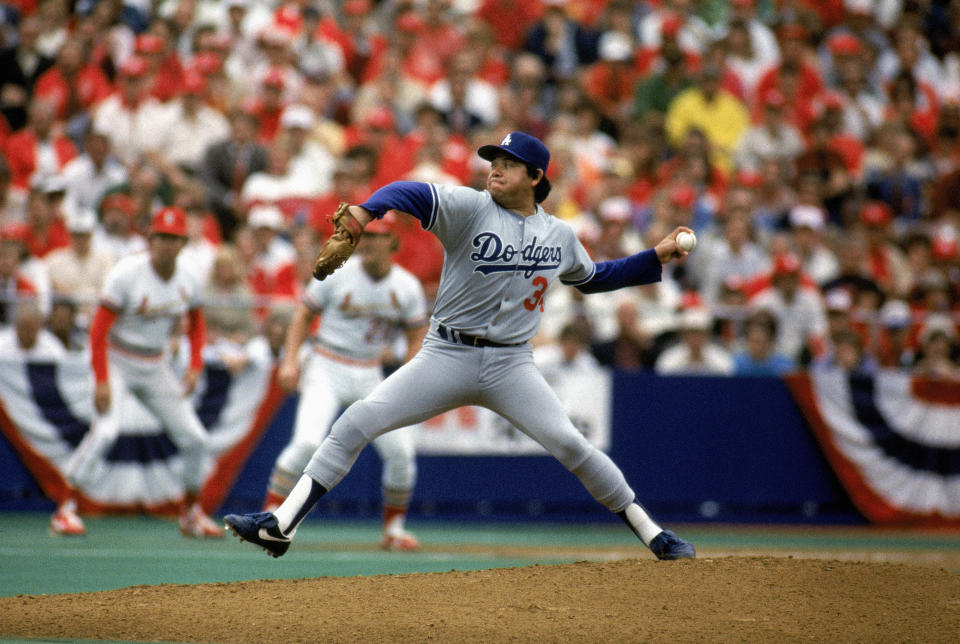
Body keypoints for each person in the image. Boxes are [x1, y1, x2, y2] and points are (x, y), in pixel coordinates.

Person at [225, 131, 696, 560]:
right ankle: (282, 524)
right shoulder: (470, 207)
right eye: (493, 159)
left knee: (573, 445)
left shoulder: (560, 233)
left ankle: (653, 534)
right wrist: (367, 211)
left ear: (535, 176)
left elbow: (595, 279)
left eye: (508, 163)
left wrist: (654, 256)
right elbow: (408, 191)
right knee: (357, 421)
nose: (495, 167)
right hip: (446, 354)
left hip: (512, 365)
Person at [49, 207, 224, 538]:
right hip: (117, 358)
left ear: (184, 242)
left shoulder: (189, 276)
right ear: (150, 239)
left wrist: (195, 364)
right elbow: (98, 331)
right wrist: (101, 379)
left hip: (155, 363)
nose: (167, 245)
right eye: (161, 237)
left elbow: (197, 324)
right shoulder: (127, 273)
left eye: (174, 239)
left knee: (195, 438)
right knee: (105, 431)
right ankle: (65, 509)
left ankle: (190, 512)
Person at [264, 215, 428, 551]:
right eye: (365, 236)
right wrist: (291, 360)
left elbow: (416, 334)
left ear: (393, 243)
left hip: (369, 372)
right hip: (327, 364)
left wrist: (408, 374)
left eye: (378, 236)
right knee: (307, 443)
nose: (368, 242)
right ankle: (270, 514)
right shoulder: (337, 269)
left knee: (400, 452)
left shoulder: (406, 286)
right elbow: (302, 314)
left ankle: (393, 530)